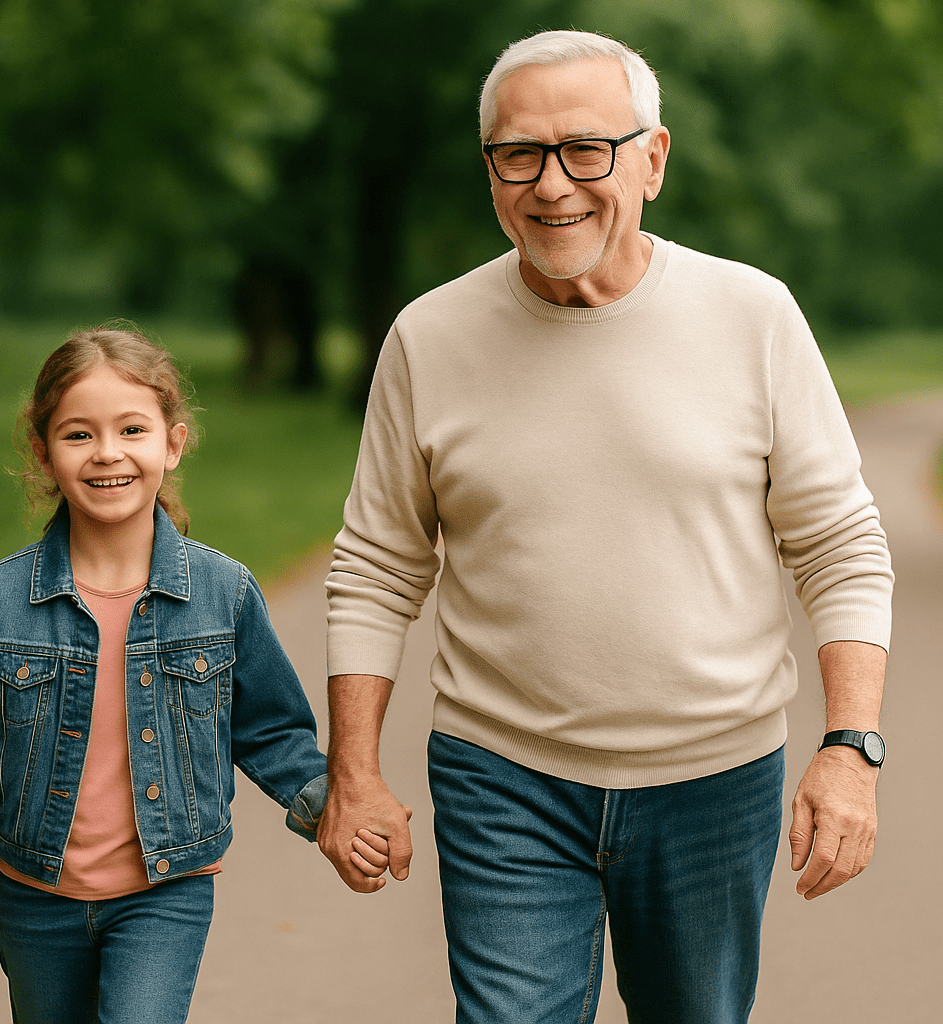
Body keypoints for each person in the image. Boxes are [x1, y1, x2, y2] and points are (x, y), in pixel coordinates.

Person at [317, 29, 894, 1024]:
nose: (552, 187)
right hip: (501, 774)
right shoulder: (428, 336)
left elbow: (839, 543)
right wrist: (354, 773)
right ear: (490, 171)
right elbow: (377, 565)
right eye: (519, 155)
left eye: (587, 150)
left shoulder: (753, 316)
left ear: (653, 160)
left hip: (715, 776)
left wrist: (849, 748)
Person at [0, 326, 348, 1023]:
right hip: (36, 897)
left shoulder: (222, 593)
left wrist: (336, 813)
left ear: (173, 442)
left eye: (131, 429)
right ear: (43, 453)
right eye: (79, 435)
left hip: (165, 893)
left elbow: (272, 731)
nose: (108, 453)